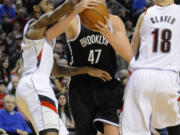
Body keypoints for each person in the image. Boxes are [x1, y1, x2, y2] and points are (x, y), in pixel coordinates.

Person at [16, 0, 109, 135]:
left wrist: (86, 70)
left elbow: (57, 70)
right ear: (36, 8)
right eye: (47, 3)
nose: (52, 6)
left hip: (36, 87)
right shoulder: (35, 25)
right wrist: (74, 6)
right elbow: (52, 16)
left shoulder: (43, 36)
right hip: (35, 85)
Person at [52, 0, 133, 134]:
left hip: (108, 85)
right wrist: (74, 11)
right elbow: (51, 33)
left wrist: (107, 33)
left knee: (112, 130)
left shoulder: (115, 21)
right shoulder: (74, 21)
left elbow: (129, 56)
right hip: (81, 88)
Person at [121, 0, 180, 135]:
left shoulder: (145, 14)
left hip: (141, 75)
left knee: (135, 130)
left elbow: (131, 51)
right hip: (168, 76)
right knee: (173, 124)